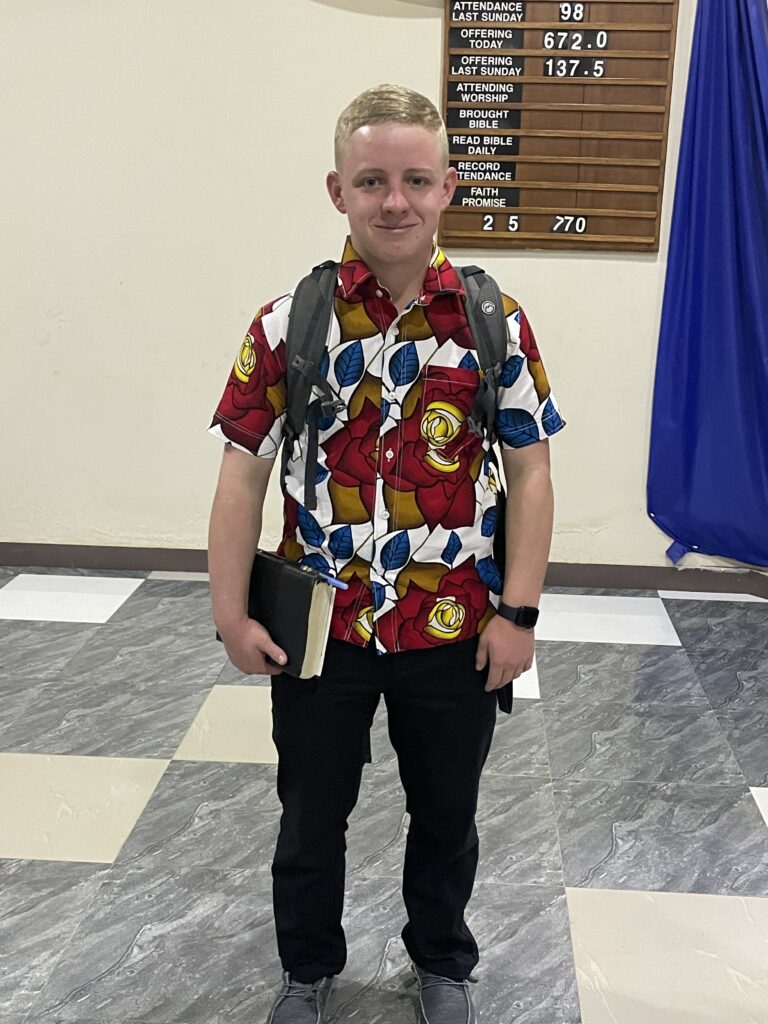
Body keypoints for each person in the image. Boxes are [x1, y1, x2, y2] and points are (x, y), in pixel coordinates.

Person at [208, 83, 564, 1024]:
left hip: (453, 622)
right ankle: (308, 967)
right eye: (372, 181)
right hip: (319, 630)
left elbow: (530, 475)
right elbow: (241, 475)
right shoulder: (292, 323)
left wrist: (518, 614)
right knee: (309, 815)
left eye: (414, 179)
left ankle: (442, 963)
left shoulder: (494, 323)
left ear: (449, 186)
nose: (394, 201)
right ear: (338, 190)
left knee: (446, 814)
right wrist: (230, 612)